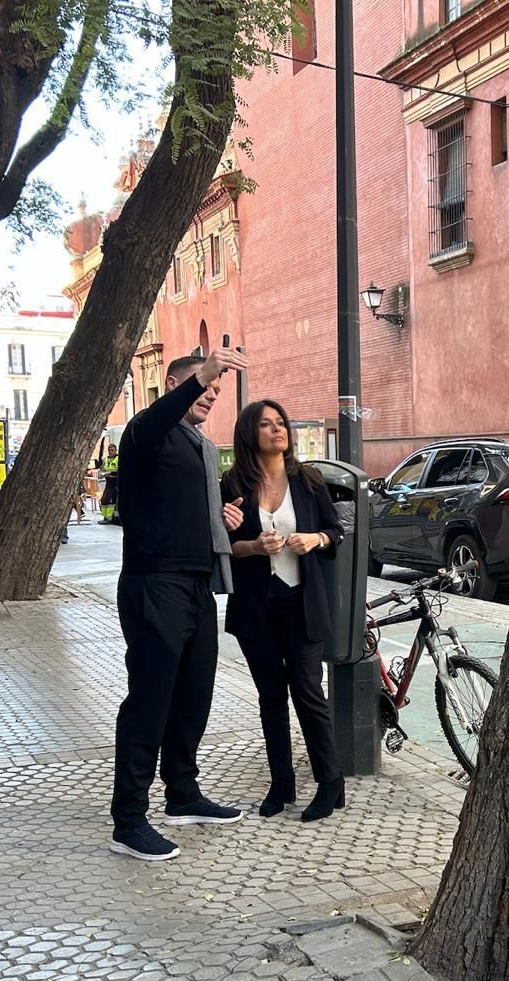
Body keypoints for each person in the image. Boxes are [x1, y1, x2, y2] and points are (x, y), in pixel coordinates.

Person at [108, 348, 249, 861]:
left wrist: (222, 521)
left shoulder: (199, 447)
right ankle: (128, 821)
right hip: (154, 584)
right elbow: (154, 419)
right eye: (202, 384)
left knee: (193, 697)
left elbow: (191, 511)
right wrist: (201, 375)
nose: (211, 392)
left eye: (214, 387)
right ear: (172, 383)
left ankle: (183, 795)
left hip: (195, 584)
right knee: (150, 702)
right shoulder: (145, 434)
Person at [223, 400, 347, 822]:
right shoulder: (234, 483)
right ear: (249, 434)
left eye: (281, 423)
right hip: (256, 605)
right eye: (266, 424)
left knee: (309, 694)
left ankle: (330, 782)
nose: (277, 430)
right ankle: (282, 783)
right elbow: (226, 547)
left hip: (302, 603)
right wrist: (255, 547)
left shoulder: (308, 480)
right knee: (270, 697)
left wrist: (316, 540)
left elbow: (336, 532)